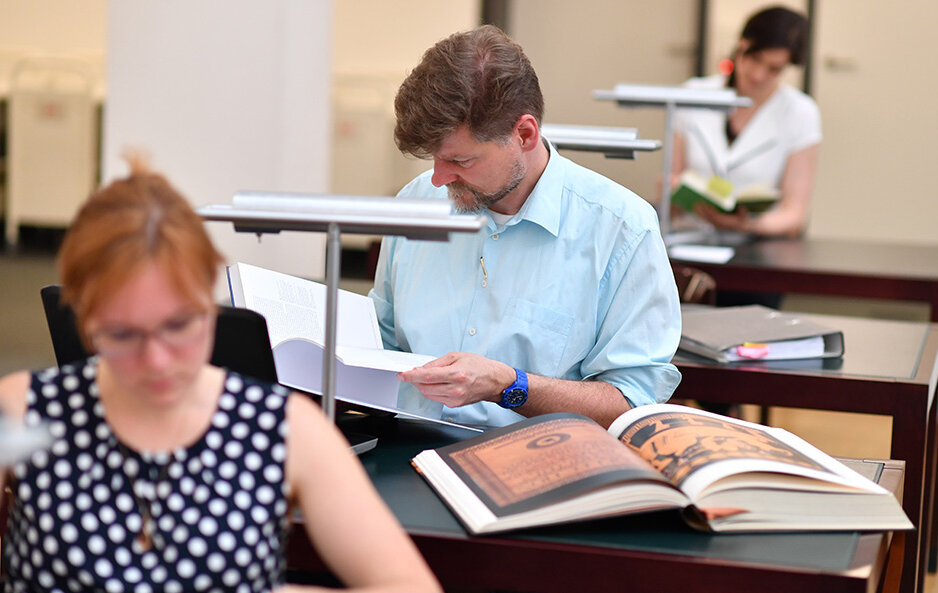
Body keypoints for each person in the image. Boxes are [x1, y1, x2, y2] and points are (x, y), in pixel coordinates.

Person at [0, 158, 441, 593]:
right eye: (123, 334)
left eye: (179, 326)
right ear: (86, 321)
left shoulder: (282, 429)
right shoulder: (24, 410)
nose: (157, 360)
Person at [369, 25, 682, 430]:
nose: (438, 179)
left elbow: (631, 403)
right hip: (407, 441)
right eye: (433, 158)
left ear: (525, 134)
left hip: (542, 460)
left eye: (460, 162)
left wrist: (509, 386)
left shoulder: (621, 228)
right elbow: (381, 341)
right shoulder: (416, 204)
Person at [672, 6, 821, 239]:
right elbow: (673, 177)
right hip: (691, 235)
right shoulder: (692, 94)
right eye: (754, 58)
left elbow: (794, 214)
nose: (758, 75)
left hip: (758, 245)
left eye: (774, 69)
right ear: (741, 44)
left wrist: (746, 226)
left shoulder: (800, 112)